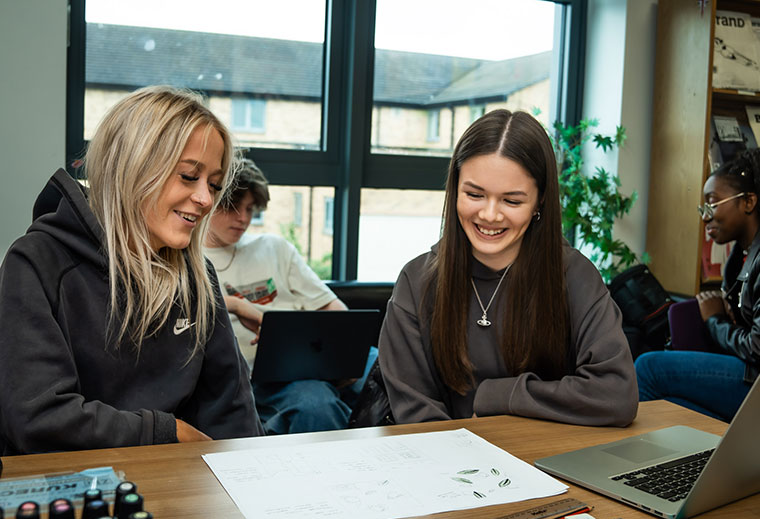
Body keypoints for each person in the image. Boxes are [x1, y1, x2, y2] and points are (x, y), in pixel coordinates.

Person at [0, 86, 264, 455]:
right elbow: (39, 418)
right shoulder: (36, 262)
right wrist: (166, 431)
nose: (206, 199)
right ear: (134, 167)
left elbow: (233, 411)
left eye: (214, 184)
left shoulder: (197, 275)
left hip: (178, 484)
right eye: (189, 177)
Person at [378, 109, 638, 426]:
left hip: (548, 463)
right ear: (455, 189)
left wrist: (498, 396)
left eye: (511, 201)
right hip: (449, 465)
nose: (490, 215)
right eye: (474, 194)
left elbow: (616, 396)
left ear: (540, 201)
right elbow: (417, 416)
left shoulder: (575, 275)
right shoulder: (416, 281)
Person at [203, 158, 377, 434]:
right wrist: (237, 305)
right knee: (315, 403)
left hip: (315, 358)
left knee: (387, 370)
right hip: (256, 376)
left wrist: (345, 353)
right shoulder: (192, 260)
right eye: (234, 207)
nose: (244, 218)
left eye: (251, 209)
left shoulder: (274, 247)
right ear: (210, 200)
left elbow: (334, 308)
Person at [635, 150, 760, 422]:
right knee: (670, 403)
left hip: (756, 380)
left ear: (748, 202)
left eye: (712, 203)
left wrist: (714, 320)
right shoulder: (739, 258)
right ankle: (710, 459)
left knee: (648, 368)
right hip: (748, 375)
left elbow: (756, 348)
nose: (705, 217)